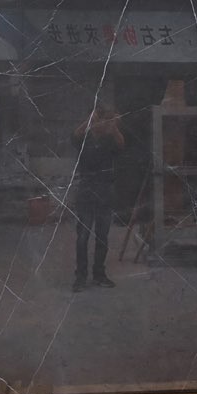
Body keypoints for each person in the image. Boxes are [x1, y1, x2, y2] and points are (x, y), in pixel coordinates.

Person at [71, 104, 124, 292]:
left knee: (102, 235)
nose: (99, 124)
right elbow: (74, 136)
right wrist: (89, 120)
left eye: (100, 120)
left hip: (105, 190)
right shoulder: (84, 139)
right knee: (82, 237)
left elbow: (121, 145)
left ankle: (99, 274)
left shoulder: (109, 139)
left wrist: (114, 125)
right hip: (86, 190)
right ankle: (81, 276)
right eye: (96, 120)